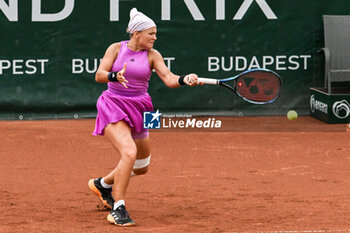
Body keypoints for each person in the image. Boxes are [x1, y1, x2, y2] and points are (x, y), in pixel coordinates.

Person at [88, 8, 199, 227]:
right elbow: (99, 75)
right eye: (151, 33)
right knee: (129, 152)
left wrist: (185, 79)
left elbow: (168, 79)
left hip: (143, 107)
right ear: (136, 33)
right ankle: (118, 208)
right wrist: (114, 76)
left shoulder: (153, 55)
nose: (155, 37)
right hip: (113, 104)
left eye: (155, 33)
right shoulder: (115, 48)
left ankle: (103, 184)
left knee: (141, 166)